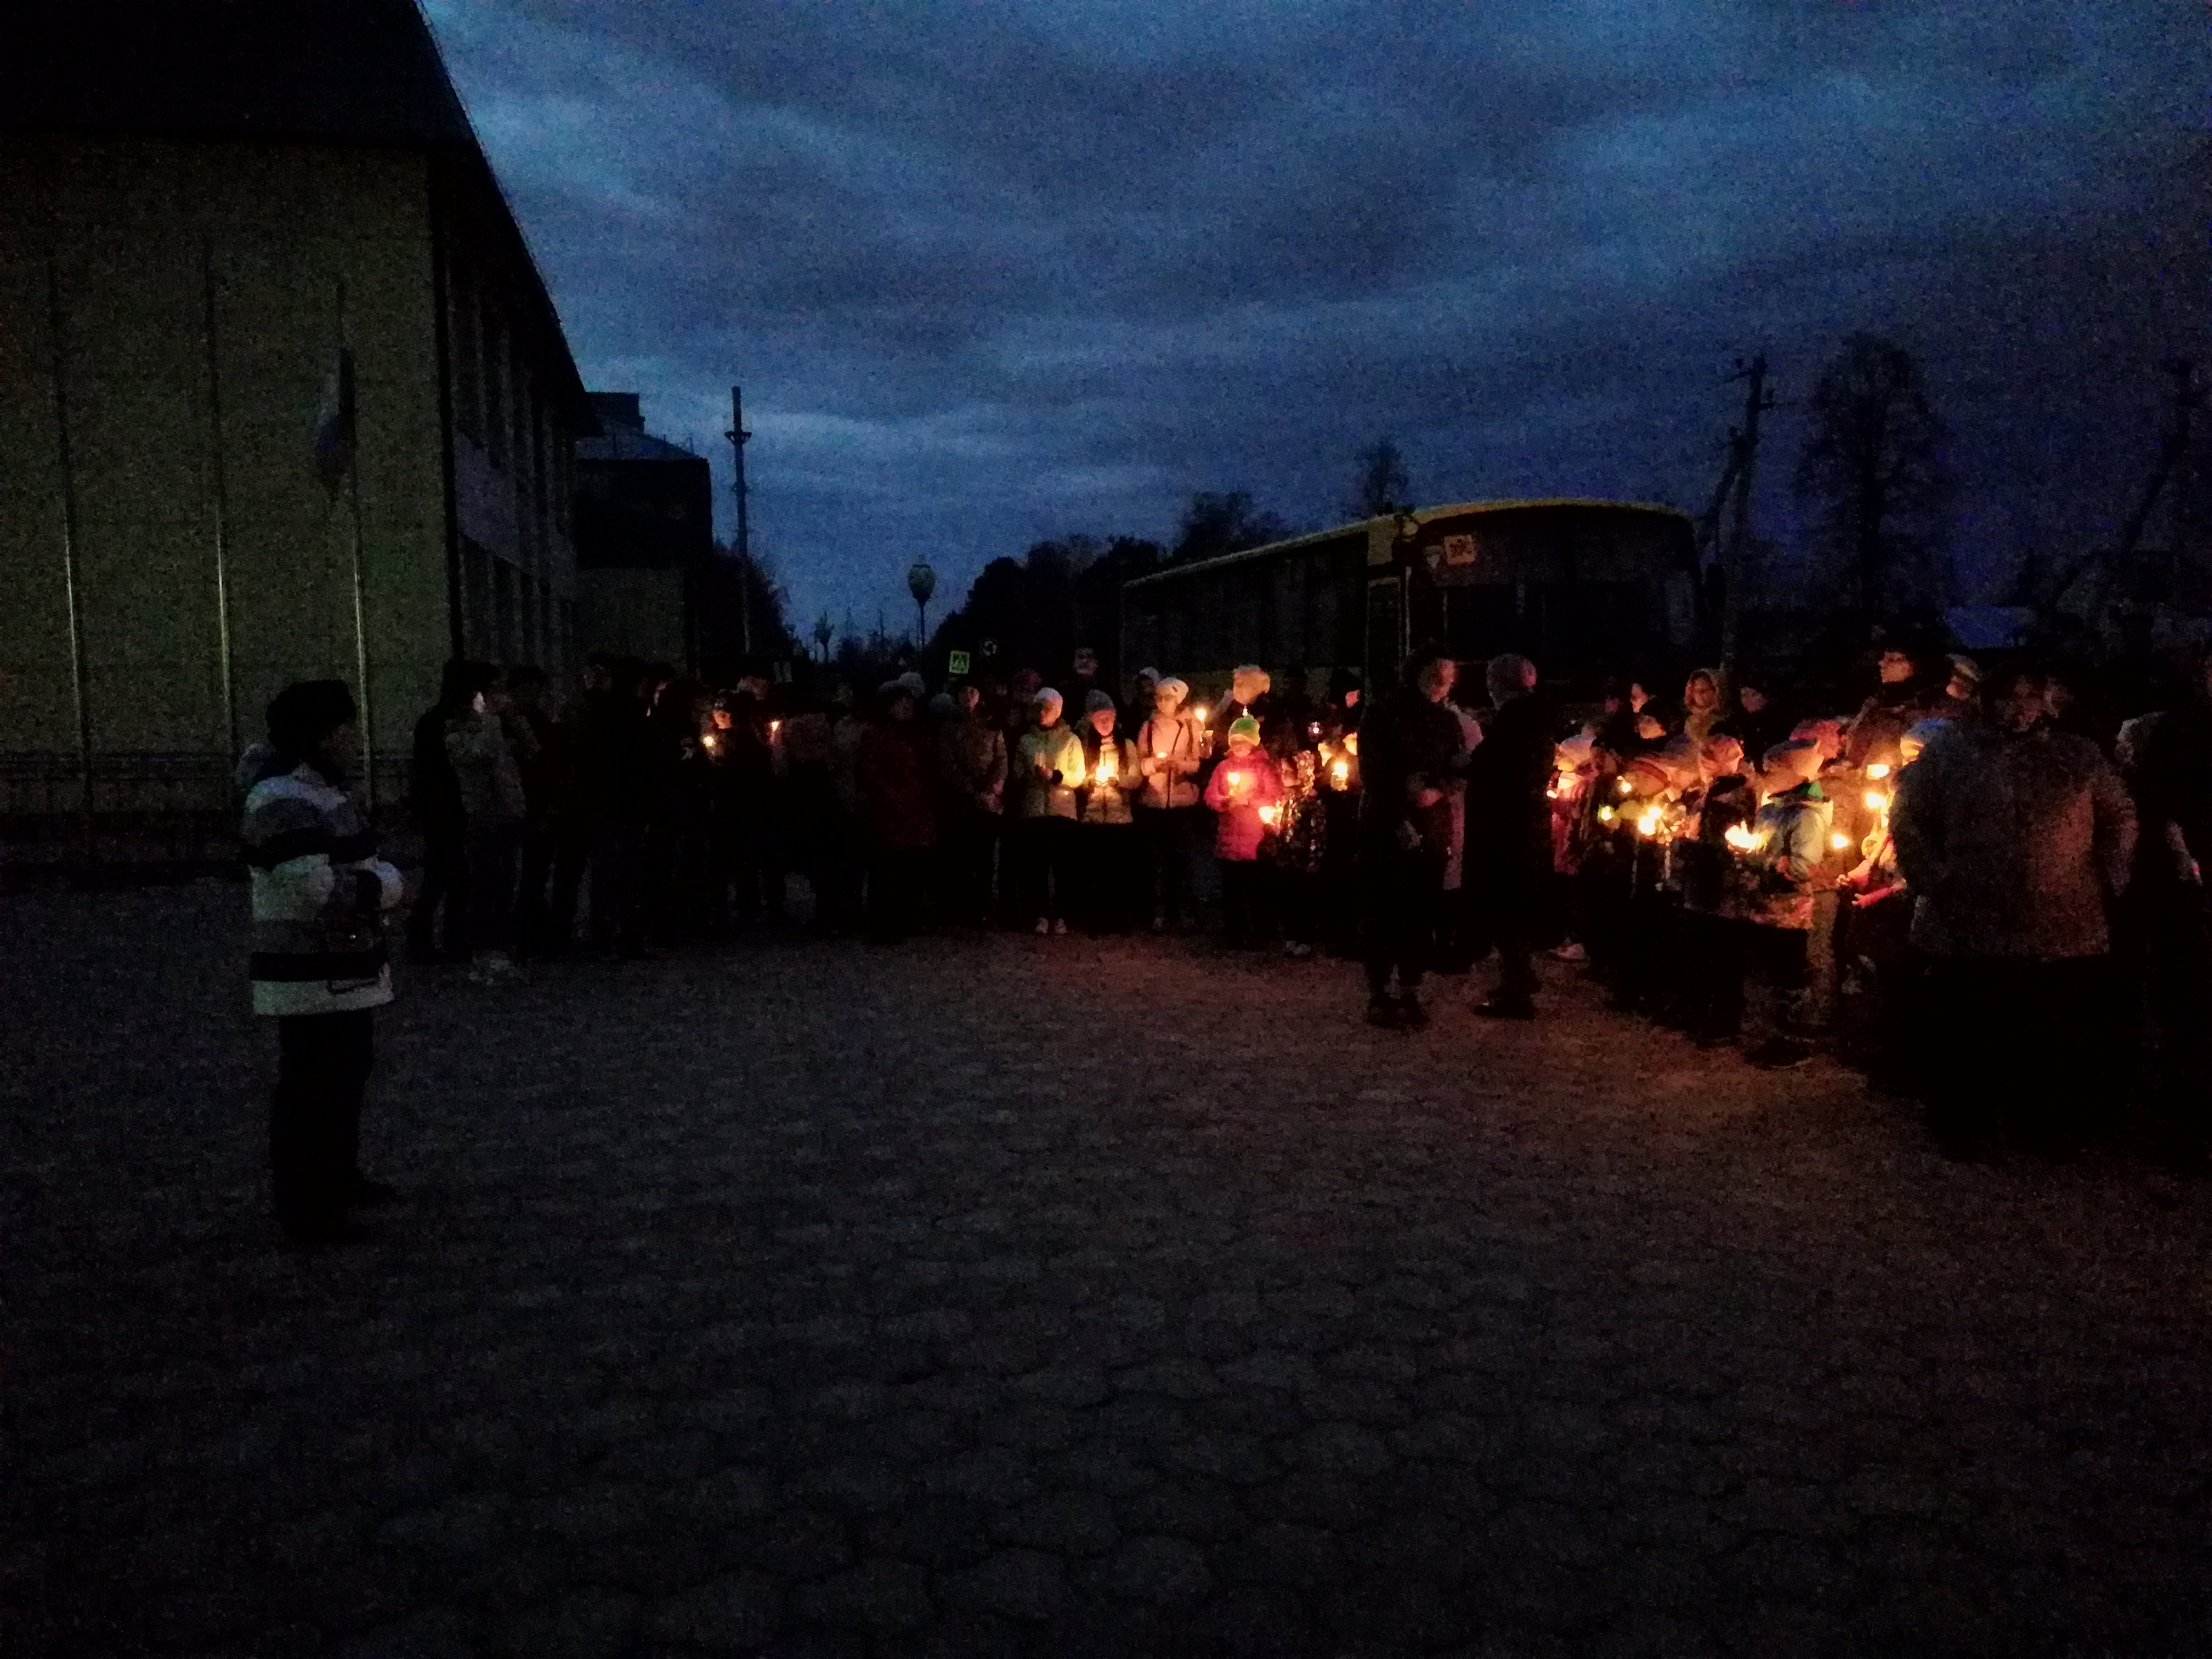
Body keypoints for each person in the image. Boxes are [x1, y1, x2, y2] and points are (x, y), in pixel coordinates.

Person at [1891, 666, 2136, 1157]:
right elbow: (1910, 819)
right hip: (1968, 915)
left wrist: (2108, 878)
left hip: (2058, 918)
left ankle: (2040, 1125)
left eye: (2029, 697)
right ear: (1987, 701)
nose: (2019, 708)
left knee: (2045, 1029)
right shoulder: (1949, 752)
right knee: (1971, 1026)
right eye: (2008, 697)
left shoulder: (2077, 755)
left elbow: (2120, 815)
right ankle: (1966, 1124)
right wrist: (1936, 881)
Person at [241, 680, 404, 1245]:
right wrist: (387, 885)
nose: (356, 737)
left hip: (339, 965)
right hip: (309, 967)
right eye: (347, 726)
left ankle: (335, 1176)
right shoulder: (282, 798)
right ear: (322, 733)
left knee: (343, 1074)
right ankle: (307, 1206)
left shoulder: (318, 789)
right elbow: (315, 887)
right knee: (313, 1087)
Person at [1357, 646, 1468, 1027]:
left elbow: (1459, 769)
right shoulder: (1382, 714)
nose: (1441, 685)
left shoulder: (1447, 721)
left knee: (1421, 912)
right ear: (1415, 673)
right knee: (1383, 910)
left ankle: (1409, 990)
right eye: (1435, 676)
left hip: (1432, 828)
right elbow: (1374, 774)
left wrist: (1436, 790)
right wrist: (1397, 819)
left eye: (1448, 679)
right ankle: (1378, 992)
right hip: (1385, 827)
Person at [1465, 653, 1555, 1018]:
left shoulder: (1515, 720)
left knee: (1507, 903)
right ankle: (1520, 976)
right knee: (1516, 903)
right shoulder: (1538, 716)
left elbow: (1489, 764)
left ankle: (1517, 988)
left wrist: (1462, 764)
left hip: (1509, 826)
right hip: (1528, 821)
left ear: (1498, 685)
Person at [1737, 739, 1833, 1069]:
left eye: (1773, 769)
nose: (1764, 775)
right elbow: (1762, 848)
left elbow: (1804, 866)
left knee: (1791, 974)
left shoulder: (1807, 815)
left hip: (1790, 907)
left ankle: (1796, 1041)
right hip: (1766, 901)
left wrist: (1759, 859)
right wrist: (1746, 851)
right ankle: (1777, 1035)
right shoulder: (1771, 809)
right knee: (1775, 973)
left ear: (1797, 774)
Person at [444, 671, 530, 983]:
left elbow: (529, 750)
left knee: (505, 886)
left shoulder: (492, 730)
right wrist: (492, 720)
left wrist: (516, 720)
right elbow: (482, 755)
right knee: (487, 888)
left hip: (507, 816)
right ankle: (484, 953)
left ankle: (499, 951)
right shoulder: (457, 735)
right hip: (483, 818)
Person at [404, 659, 483, 963]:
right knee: (449, 877)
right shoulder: (447, 722)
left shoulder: (434, 720)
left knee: (442, 877)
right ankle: (443, 937)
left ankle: (435, 936)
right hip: (445, 808)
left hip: (440, 808)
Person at [857, 682, 937, 941]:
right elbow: (872, 772)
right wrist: (892, 797)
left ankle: (909, 916)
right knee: (888, 867)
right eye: (901, 702)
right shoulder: (876, 735)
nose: (907, 706)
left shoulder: (918, 733)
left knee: (912, 865)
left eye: (909, 701)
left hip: (916, 807)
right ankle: (885, 922)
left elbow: (926, 768)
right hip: (889, 810)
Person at [1204, 716, 1283, 947]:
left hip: (1256, 839)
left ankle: (1262, 933)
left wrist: (1248, 801)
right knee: (1232, 889)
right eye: (1235, 742)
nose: (1238, 746)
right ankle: (1234, 932)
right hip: (1230, 838)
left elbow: (1274, 795)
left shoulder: (1264, 767)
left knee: (1258, 889)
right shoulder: (1223, 768)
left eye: (1243, 741)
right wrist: (1225, 801)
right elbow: (1210, 795)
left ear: (1253, 743)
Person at [1134, 676, 1206, 932]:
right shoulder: (1148, 727)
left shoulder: (1191, 725)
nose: (1162, 702)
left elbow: (1198, 762)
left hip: (1182, 801)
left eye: (1168, 698)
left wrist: (1180, 765)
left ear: (1178, 700)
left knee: (1183, 858)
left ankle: (1184, 912)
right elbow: (1140, 763)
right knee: (1158, 860)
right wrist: (1155, 764)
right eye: (1159, 697)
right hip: (1155, 801)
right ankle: (1159, 913)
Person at [936, 680, 1008, 927]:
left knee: (985, 856)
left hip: (987, 801)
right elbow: (948, 764)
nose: (968, 695)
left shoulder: (991, 723)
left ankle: (983, 905)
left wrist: (994, 786)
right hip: (961, 802)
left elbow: (1001, 758)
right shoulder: (949, 725)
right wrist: (970, 790)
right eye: (964, 691)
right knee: (962, 856)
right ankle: (962, 906)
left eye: (973, 691)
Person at [1013, 687, 1083, 934]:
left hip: (1062, 811)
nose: (1042, 713)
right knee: (1036, 866)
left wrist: (1055, 777)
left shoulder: (1070, 740)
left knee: (1064, 867)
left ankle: (1062, 915)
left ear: (1058, 711)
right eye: (1039, 708)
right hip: (1034, 810)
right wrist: (1028, 776)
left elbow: (1079, 776)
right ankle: (1040, 915)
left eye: (1048, 708)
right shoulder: (1026, 740)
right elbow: (1017, 773)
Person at [1072, 690, 1142, 933]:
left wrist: (1118, 781)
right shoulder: (1083, 745)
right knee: (1094, 870)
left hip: (1119, 816)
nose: (1105, 722)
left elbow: (1136, 778)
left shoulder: (1126, 745)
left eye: (1109, 718)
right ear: (1091, 719)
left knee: (1119, 870)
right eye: (1100, 718)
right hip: (1091, 816)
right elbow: (1077, 777)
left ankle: (1119, 918)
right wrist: (1090, 782)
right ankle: (1096, 919)